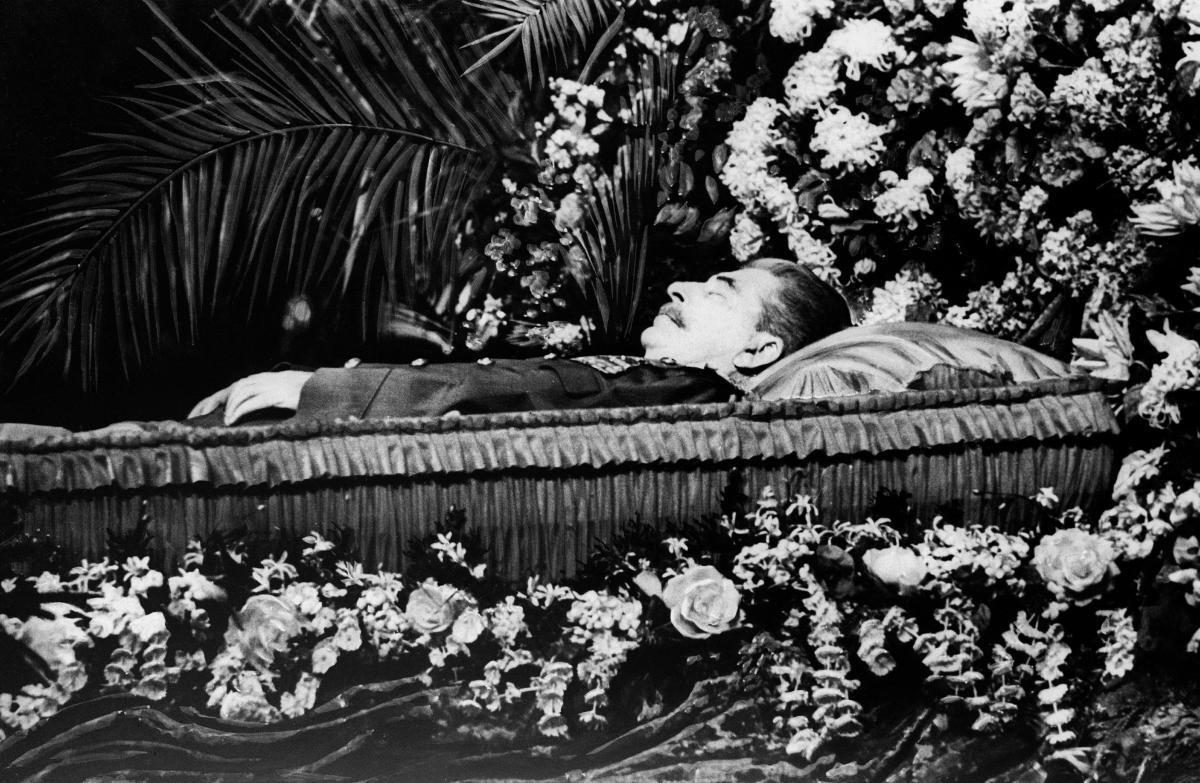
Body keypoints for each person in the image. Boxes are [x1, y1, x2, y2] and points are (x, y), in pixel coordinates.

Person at [187, 258, 853, 425]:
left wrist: (321, 390)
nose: (681, 286)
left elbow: (513, 392)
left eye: (721, 290)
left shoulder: (690, 391)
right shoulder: (661, 384)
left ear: (759, 352)